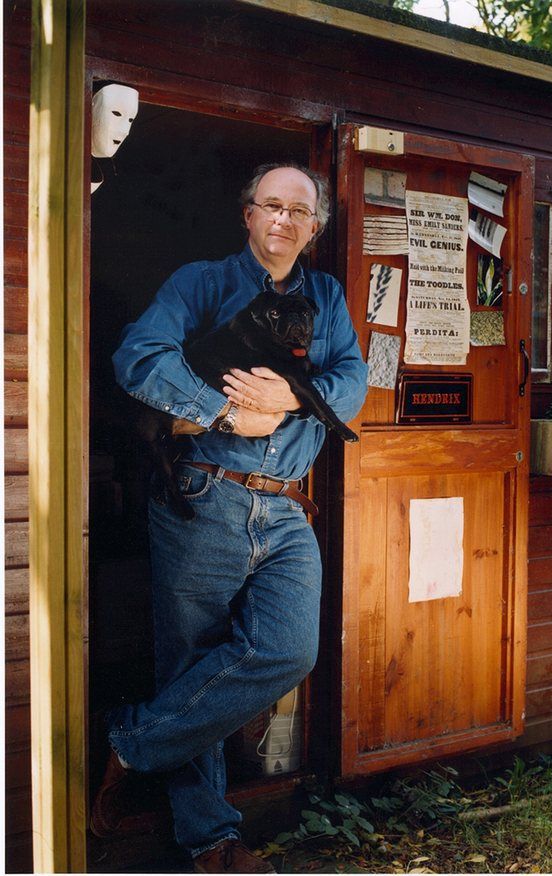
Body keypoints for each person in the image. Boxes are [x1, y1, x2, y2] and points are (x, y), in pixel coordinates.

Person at [91, 162, 368, 873]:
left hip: (285, 507)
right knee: (193, 660)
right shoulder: (200, 283)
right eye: (270, 205)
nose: (282, 220)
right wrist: (222, 410)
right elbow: (138, 355)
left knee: (288, 649)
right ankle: (212, 841)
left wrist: (290, 396)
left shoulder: (327, 296)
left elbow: (351, 381)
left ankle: (133, 744)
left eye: (297, 211)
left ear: (313, 228)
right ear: (247, 214)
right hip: (203, 492)